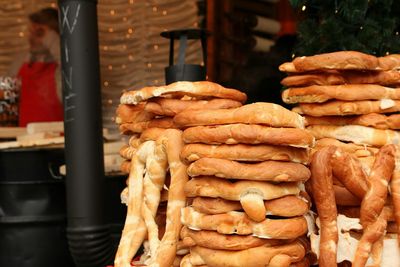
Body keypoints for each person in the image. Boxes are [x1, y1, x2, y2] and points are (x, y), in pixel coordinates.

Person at [8, 8, 63, 127]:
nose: (31, 38)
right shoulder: (19, 61)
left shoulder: (62, 68)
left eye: (39, 33)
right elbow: (6, 109)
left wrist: (54, 42)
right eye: (31, 32)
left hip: (56, 142)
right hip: (21, 141)